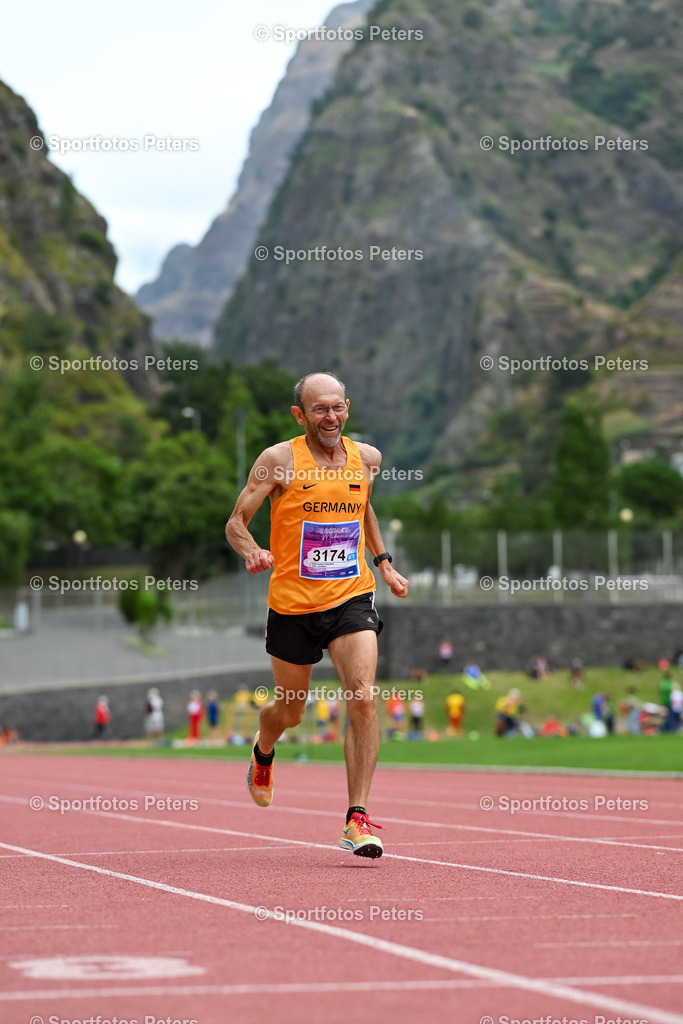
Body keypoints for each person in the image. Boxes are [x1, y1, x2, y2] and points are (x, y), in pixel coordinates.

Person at [225, 371, 409, 859]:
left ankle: (357, 818)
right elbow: (235, 520)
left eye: (338, 407)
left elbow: (364, 506)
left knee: (364, 697)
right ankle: (264, 749)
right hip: (292, 606)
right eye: (320, 410)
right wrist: (252, 550)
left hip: (351, 597)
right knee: (290, 710)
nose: (331, 417)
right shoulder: (278, 461)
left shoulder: (367, 459)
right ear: (299, 415)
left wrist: (384, 563)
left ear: (348, 406)